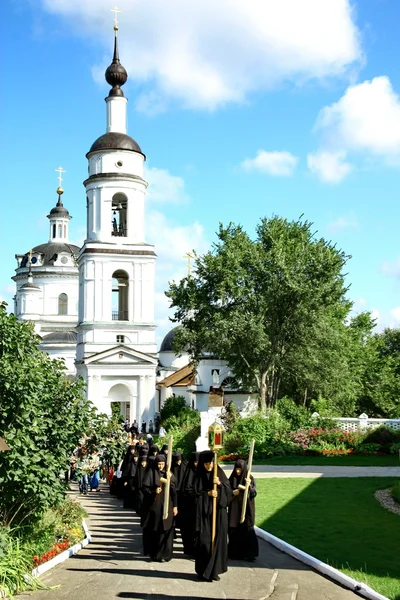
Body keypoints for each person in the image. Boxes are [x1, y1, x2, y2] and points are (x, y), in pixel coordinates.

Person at [193, 450, 232, 582]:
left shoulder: (219, 473)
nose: (209, 466)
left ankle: (214, 571)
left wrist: (220, 485)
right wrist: (208, 494)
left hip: (218, 514)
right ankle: (203, 570)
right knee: (205, 542)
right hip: (205, 516)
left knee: (218, 542)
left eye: (210, 463)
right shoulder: (198, 476)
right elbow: (194, 495)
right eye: (206, 464)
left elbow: (229, 492)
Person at [142, 455, 178, 562]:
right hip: (155, 507)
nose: (160, 466)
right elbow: (145, 488)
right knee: (156, 529)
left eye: (162, 464)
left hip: (168, 505)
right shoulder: (151, 473)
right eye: (159, 464)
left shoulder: (168, 473)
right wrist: (154, 492)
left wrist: (175, 506)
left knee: (167, 529)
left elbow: (174, 490)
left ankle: (166, 554)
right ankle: (156, 554)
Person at [228, 459, 259, 561]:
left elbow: (254, 493)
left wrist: (249, 486)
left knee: (247, 530)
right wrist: (233, 493)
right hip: (235, 510)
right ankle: (235, 553)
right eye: (236, 469)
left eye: (240, 469)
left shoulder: (249, 478)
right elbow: (226, 493)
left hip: (247, 509)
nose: (237, 471)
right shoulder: (232, 479)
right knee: (234, 530)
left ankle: (249, 554)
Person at [180, 451, 199, 556]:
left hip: (198, 505)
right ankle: (189, 548)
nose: (196, 464)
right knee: (188, 529)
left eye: (198, 462)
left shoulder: (200, 472)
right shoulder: (189, 472)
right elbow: (186, 489)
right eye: (195, 462)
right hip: (188, 505)